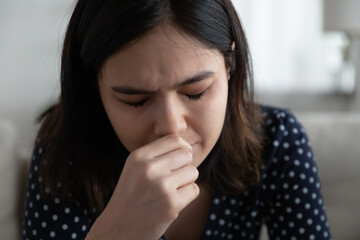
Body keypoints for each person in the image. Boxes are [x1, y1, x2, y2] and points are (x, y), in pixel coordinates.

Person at [22, 0, 332, 239]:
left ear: (229, 66)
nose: (172, 126)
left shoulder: (276, 140)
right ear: (94, 86)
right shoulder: (64, 153)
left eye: (195, 92)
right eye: (136, 100)